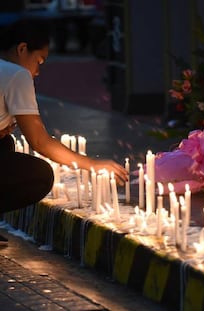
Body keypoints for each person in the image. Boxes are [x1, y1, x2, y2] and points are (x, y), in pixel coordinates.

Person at [0, 19, 128, 244]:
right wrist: (92, 164)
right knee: (39, 174)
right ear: (22, 49)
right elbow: (39, 141)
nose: (38, 71)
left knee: (5, 144)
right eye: (39, 61)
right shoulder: (16, 75)